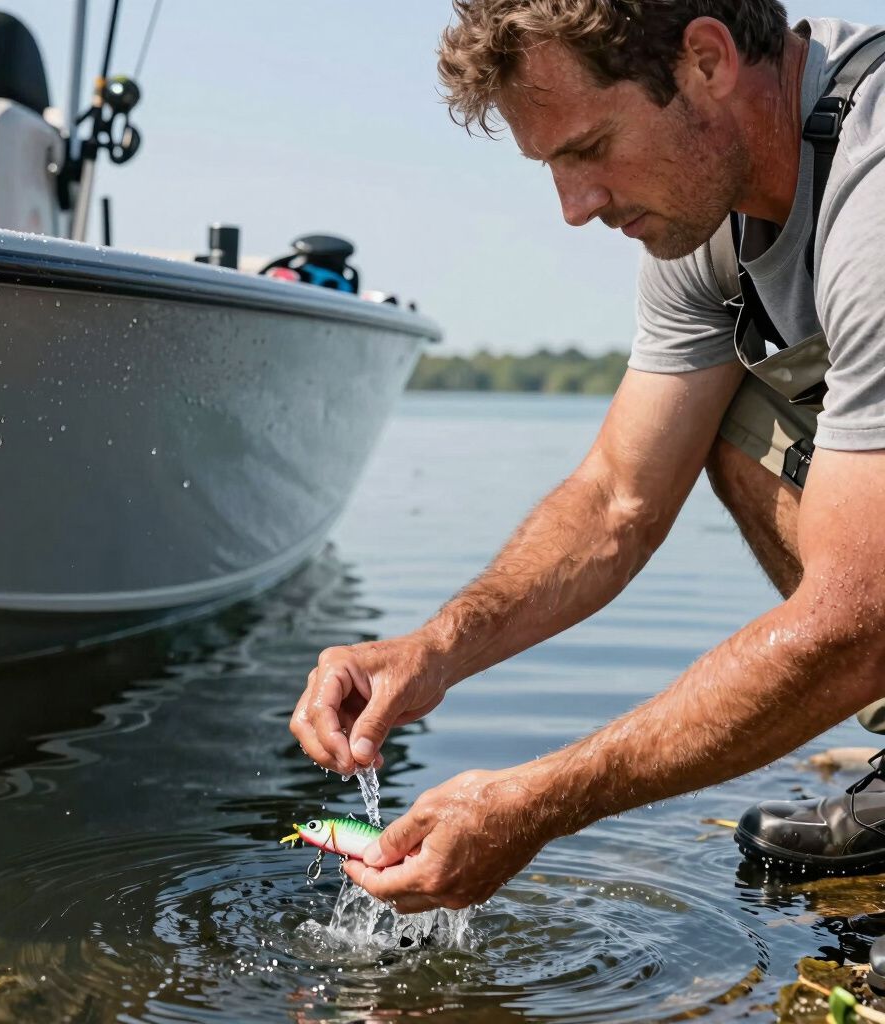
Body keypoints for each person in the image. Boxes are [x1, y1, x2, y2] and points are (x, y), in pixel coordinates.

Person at [291, 0, 885, 915]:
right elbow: (616, 500)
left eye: (588, 148)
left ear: (707, 60)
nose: (576, 209)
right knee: (729, 426)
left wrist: (539, 802)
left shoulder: (872, 189)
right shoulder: (707, 219)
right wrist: (432, 652)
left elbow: (857, 621)